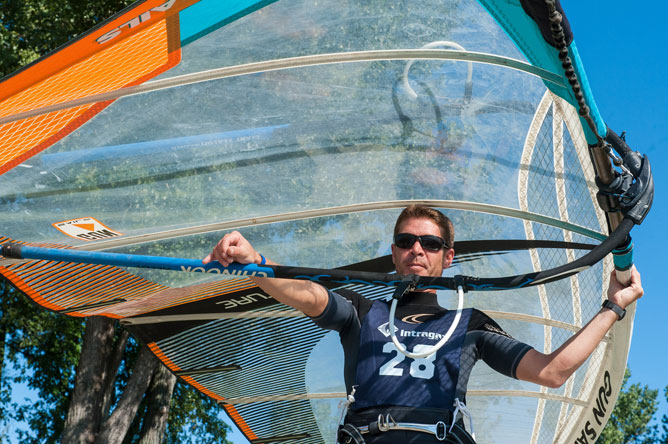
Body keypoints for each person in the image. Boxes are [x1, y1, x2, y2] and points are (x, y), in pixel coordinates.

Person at [204, 205, 643, 444]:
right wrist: (257, 265)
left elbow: (552, 371)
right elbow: (311, 296)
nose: (417, 248)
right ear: (393, 253)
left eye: (430, 243)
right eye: (406, 241)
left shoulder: (468, 323)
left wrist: (612, 307)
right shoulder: (363, 312)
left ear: (447, 257)